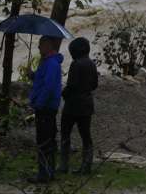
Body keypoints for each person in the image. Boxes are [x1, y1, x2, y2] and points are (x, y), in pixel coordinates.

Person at [58, 37, 98, 175]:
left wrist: (64, 93)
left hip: (73, 105)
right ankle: (86, 166)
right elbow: (94, 85)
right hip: (87, 104)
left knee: (65, 134)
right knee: (86, 136)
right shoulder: (92, 64)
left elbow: (71, 85)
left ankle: (63, 165)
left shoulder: (76, 64)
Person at [27, 35, 64, 183]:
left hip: (46, 107)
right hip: (47, 106)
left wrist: (39, 104)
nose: (38, 48)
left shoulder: (52, 64)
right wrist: (33, 75)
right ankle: (49, 171)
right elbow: (42, 80)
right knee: (48, 139)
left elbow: (48, 87)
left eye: (41, 45)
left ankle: (44, 173)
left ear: (49, 46)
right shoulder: (48, 62)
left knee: (44, 140)